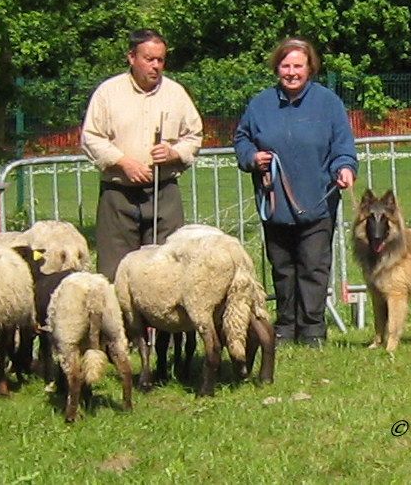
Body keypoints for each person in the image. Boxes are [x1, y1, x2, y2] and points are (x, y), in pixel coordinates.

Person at [233, 37, 357, 347]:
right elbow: (242, 139)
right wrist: (252, 158)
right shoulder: (260, 104)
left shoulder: (329, 103)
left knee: (313, 267)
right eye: (285, 66)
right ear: (277, 67)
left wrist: (345, 167)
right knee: (283, 268)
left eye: (298, 66)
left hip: (317, 201)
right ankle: (285, 327)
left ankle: (312, 330)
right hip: (275, 203)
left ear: (310, 68)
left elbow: (342, 146)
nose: (291, 72)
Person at [81, 28, 204, 282]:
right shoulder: (108, 93)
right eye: (149, 59)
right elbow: (91, 137)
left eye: (160, 60)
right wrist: (123, 162)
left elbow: (194, 136)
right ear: (132, 57)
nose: (156, 66)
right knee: (115, 275)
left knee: (167, 273)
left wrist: (173, 152)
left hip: (164, 192)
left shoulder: (176, 93)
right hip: (119, 195)